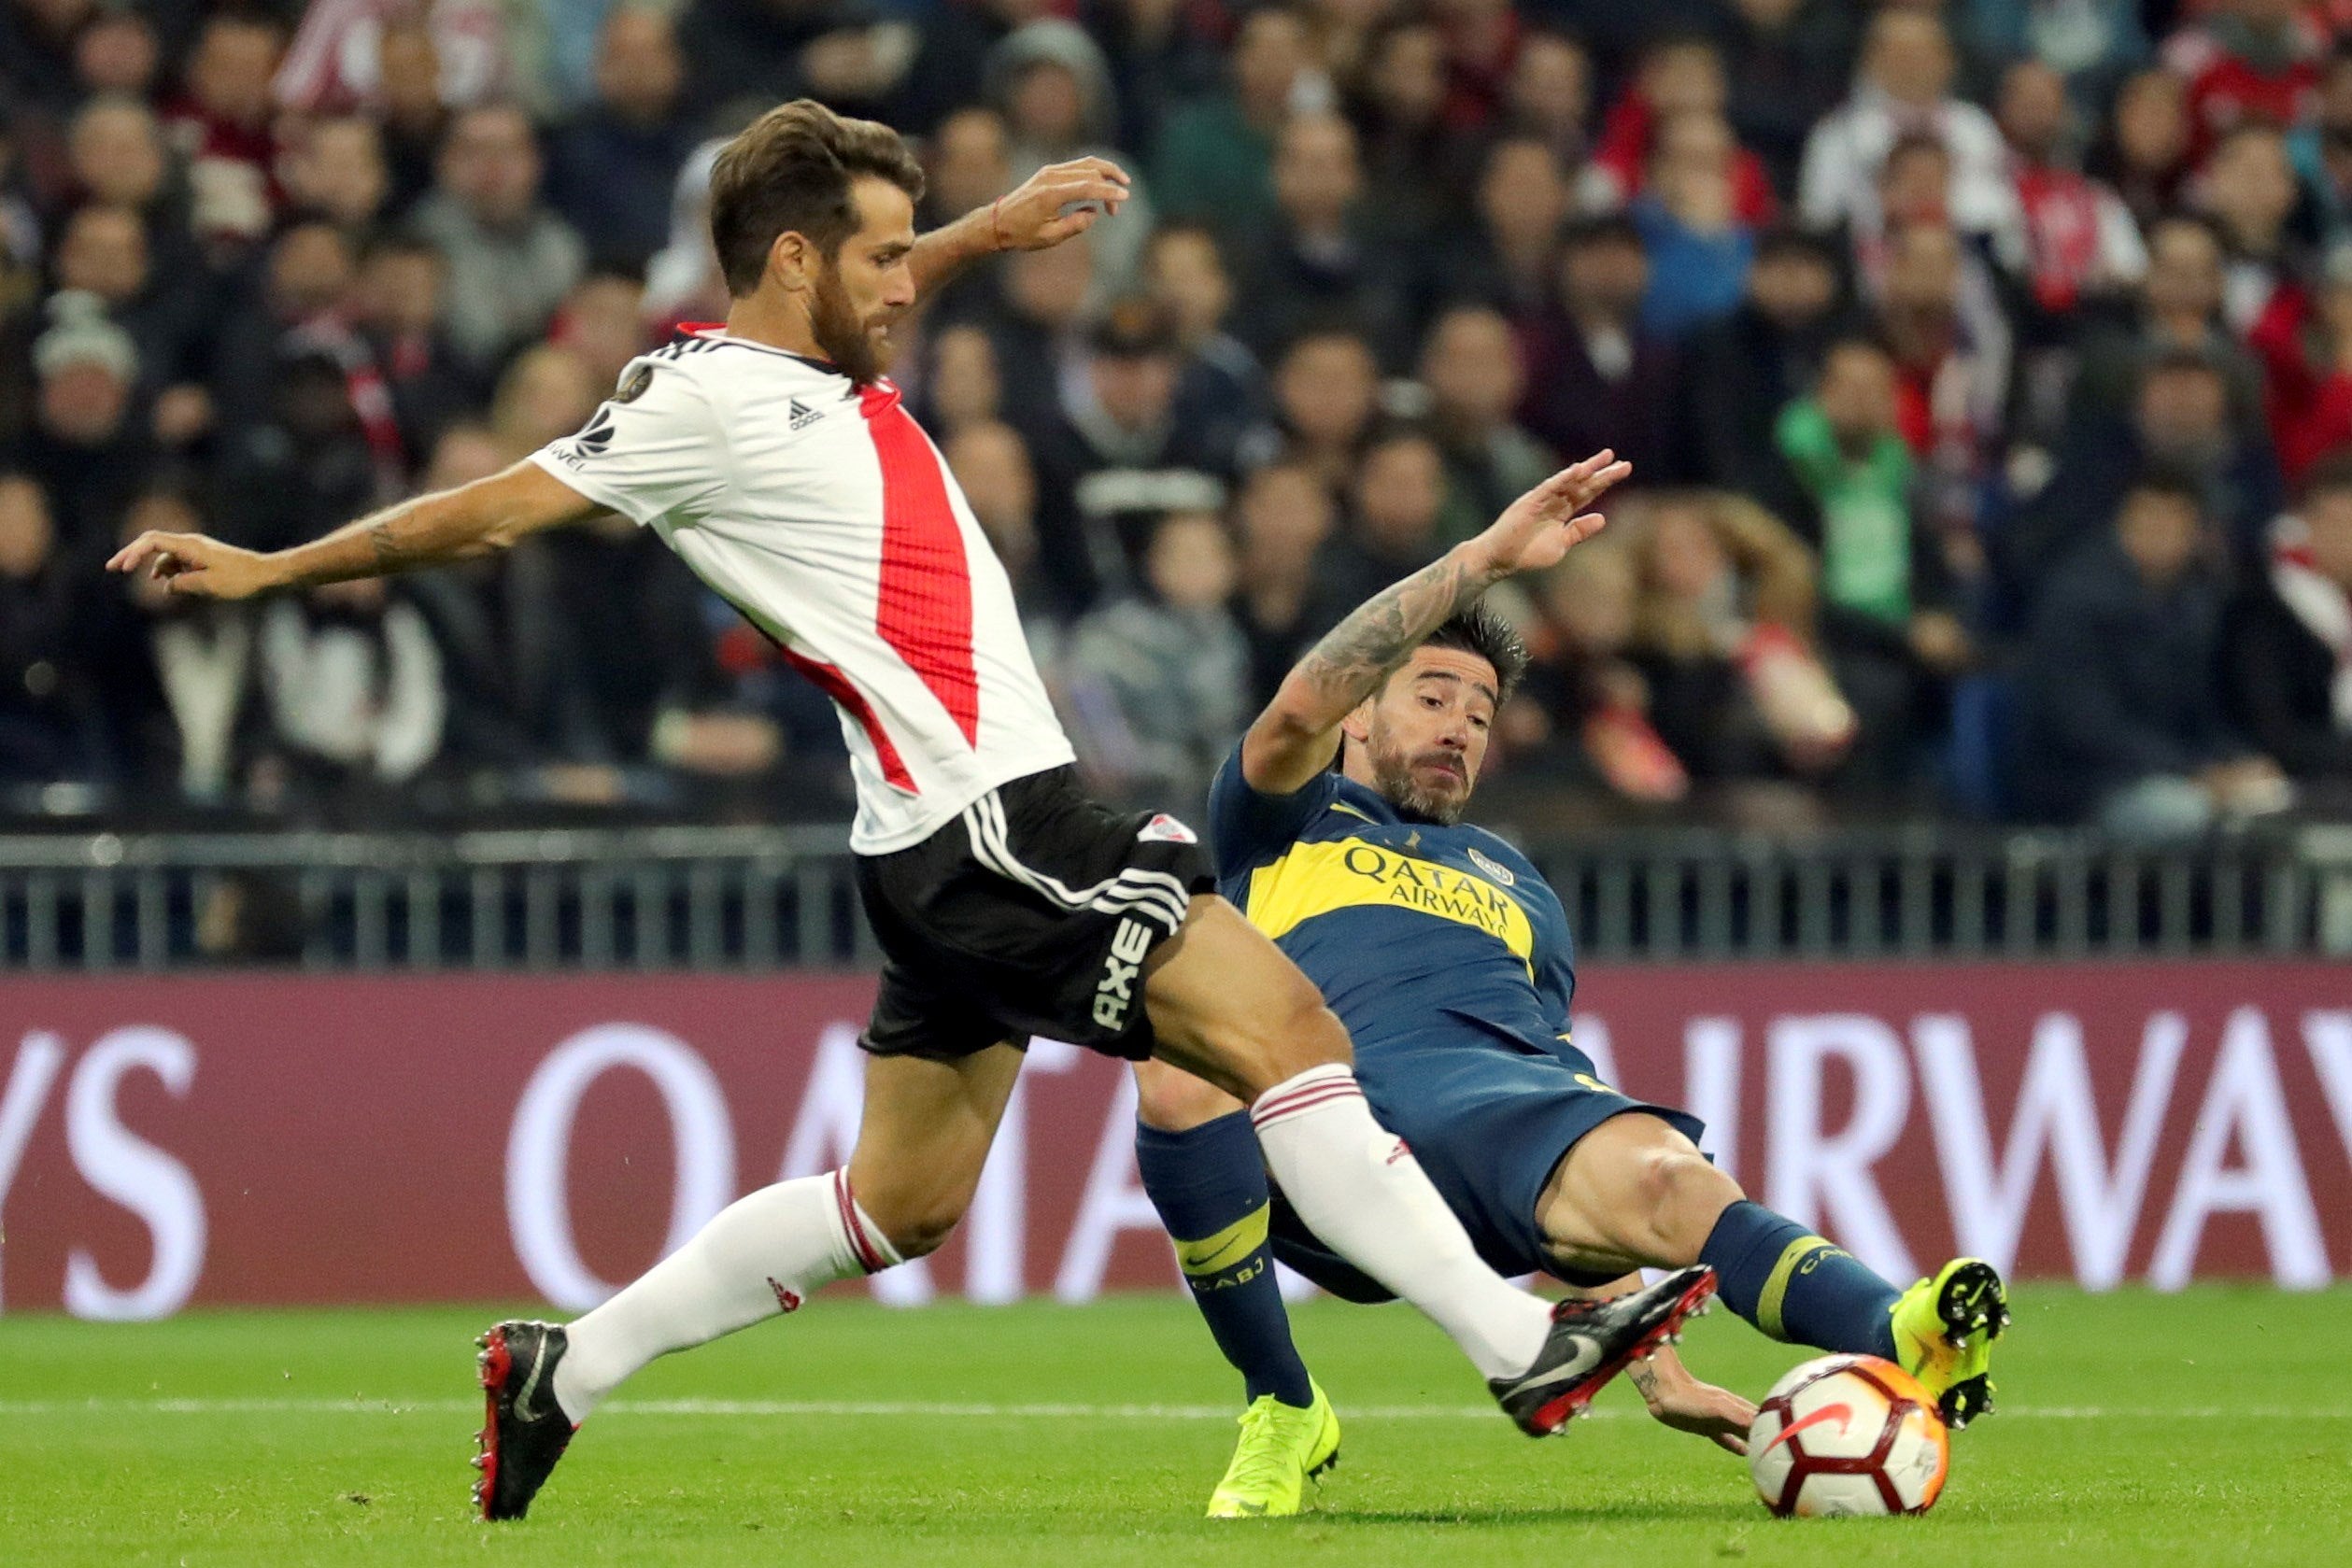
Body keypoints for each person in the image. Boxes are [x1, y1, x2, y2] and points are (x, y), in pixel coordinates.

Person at [107, 99, 1703, 1523]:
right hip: (995, 817)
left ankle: (564, 1366)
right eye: (881, 257)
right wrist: (271, 565)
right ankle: (1515, 1342)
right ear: (793, 258)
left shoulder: (804, 362)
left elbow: (868, 282)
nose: (905, 282)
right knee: (1289, 1026)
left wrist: (986, 232)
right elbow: (490, 511)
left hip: (929, 840)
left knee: (898, 1203)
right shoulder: (700, 404)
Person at [1126, 546, 2009, 1519]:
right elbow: (1294, 708)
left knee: (1669, 1175)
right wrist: (1480, 562)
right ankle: (1284, 1405)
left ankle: (1896, 1325)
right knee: (1177, 1063)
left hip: (1489, 1122)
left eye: (1479, 712)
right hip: (1317, 1125)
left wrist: (1656, 1366)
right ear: (1359, 710)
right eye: (1431, 696)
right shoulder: (1286, 819)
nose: (1459, 726)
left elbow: (1544, 1101)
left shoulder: (1520, 887)